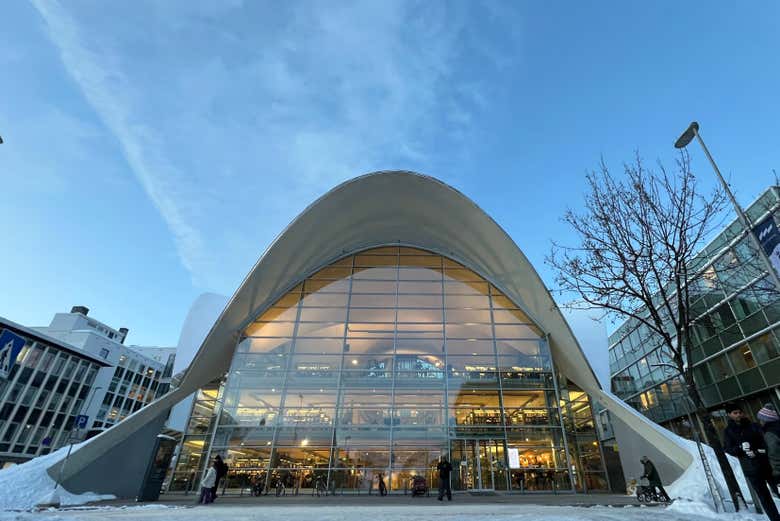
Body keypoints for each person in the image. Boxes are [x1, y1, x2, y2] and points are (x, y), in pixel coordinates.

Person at [723, 403, 780, 521]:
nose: (738, 415)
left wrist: (757, 451)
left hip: (766, 465)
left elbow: (765, 442)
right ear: (729, 414)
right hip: (751, 469)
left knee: (778, 490)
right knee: (765, 498)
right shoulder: (728, 431)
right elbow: (728, 448)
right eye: (735, 413)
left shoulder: (754, 426)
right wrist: (740, 448)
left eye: (740, 412)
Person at [758, 403, 780, 499]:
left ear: (766, 420)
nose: (760, 422)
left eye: (761, 419)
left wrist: (776, 472)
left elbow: (774, 454)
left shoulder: (769, 434)